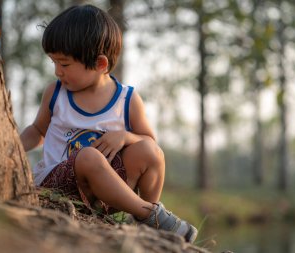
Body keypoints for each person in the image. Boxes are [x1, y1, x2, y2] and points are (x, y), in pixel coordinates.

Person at [20, 4, 197, 243]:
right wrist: (12, 145)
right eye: (54, 62)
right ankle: (149, 214)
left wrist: (126, 136)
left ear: (100, 64)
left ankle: (146, 221)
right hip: (59, 186)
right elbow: (38, 131)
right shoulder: (55, 94)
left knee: (150, 151)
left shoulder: (127, 99)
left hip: (105, 194)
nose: (57, 72)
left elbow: (149, 142)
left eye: (64, 64)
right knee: (89, 157)